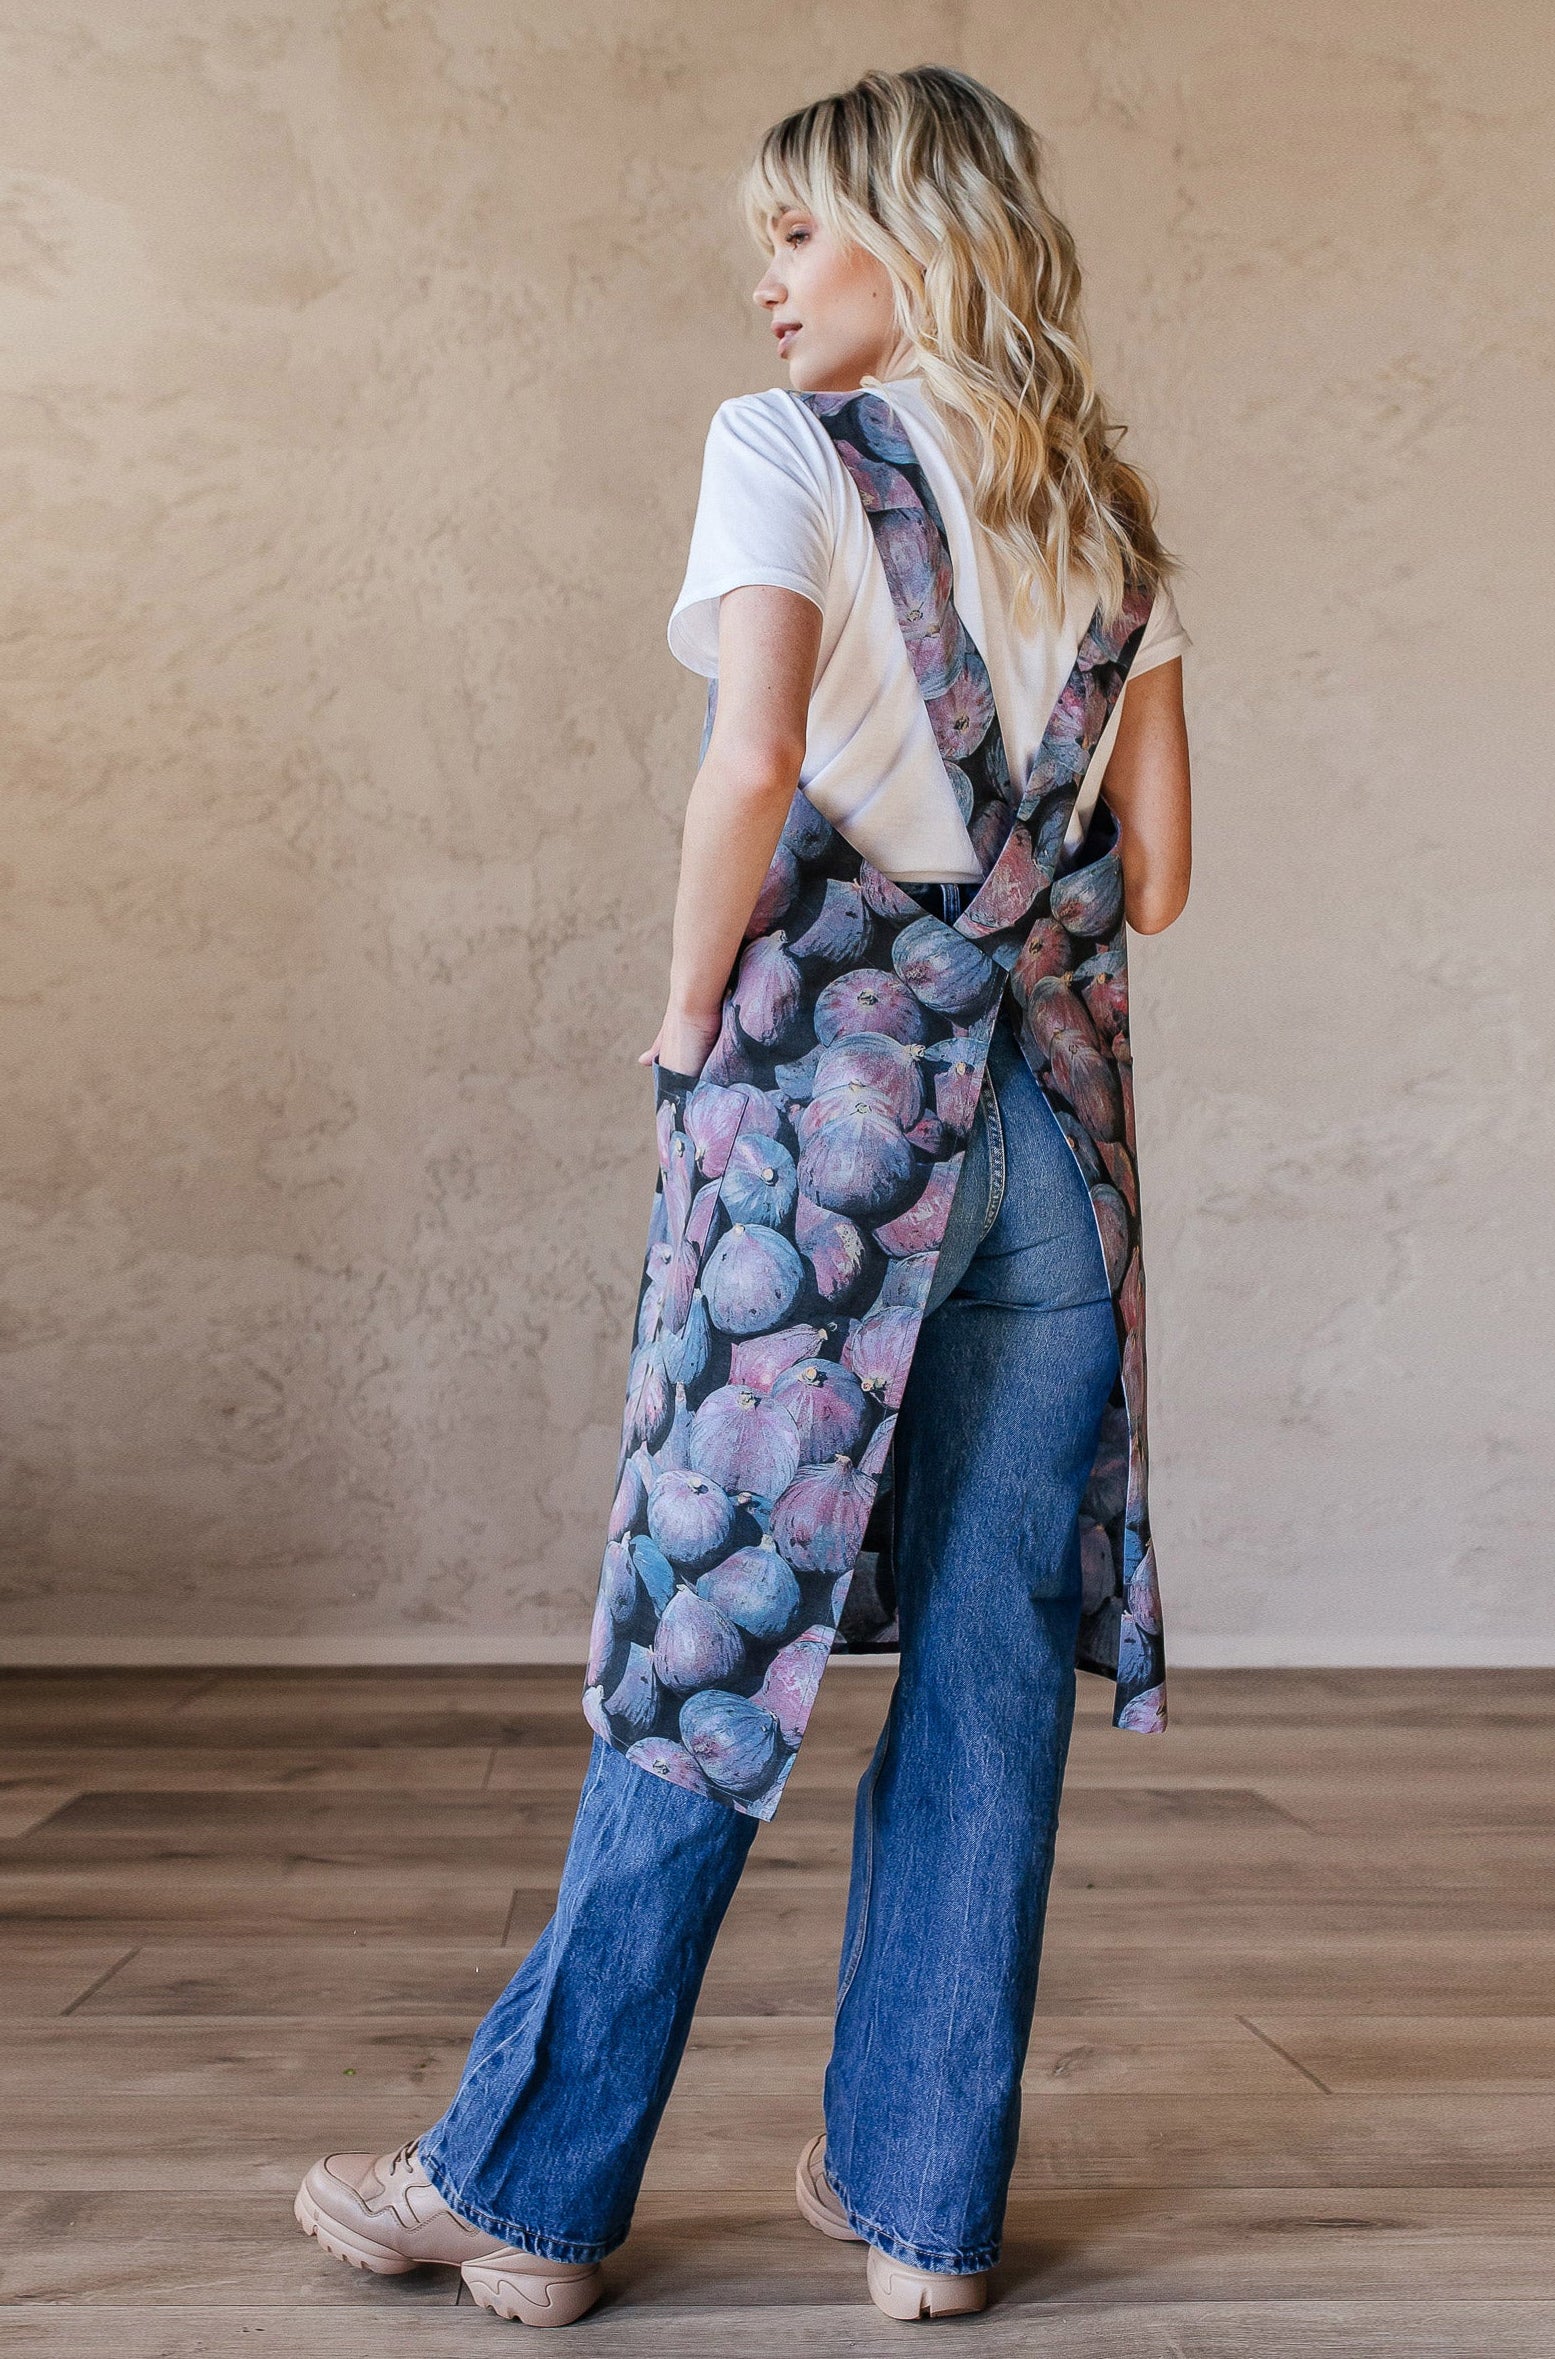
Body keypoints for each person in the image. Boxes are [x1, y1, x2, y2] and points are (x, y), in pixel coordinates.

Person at [295, 65, 1192, 2327]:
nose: (766, 278)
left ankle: (529, 2195)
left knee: (705, 1643)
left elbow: (756, 754)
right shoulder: (1104, 516)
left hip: (829, 1141)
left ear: (912, 232)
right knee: (986, 1672)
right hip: (1048, 1159)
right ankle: (921, 2218)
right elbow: (1162, 877)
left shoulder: (785, 449)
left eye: (798, 230)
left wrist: (689, 1019)